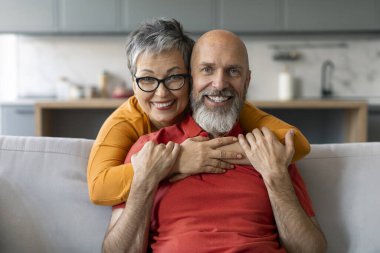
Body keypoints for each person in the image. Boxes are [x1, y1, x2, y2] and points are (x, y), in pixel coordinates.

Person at [102, 30, 327, 252]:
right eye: (207, 70)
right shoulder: (150, 149)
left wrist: (276, 178)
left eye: (233, 71)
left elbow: (312, 249)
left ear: (246, 81)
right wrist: (144, 182)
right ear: (191, 78)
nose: (219, 84)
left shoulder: (269, 150)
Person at [87, 18, 310, 206]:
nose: (161, 92)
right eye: (147, 79)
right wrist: (177, 161)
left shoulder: (215, 102)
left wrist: (209, 153)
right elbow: (99, 188)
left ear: (192, 78)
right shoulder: (125, 122)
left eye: (174, 77)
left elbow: (297, 144)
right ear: (133, 84)